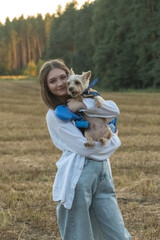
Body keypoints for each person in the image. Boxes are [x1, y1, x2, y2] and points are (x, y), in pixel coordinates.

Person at [39, 59, 132, 240]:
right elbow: (87, 150)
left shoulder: (87, 103)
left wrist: (83, 104)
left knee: (117, 234)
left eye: (63, 77)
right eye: (52, 81)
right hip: (78, 178)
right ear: (46, 87)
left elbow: (114, 110)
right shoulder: (54, 115)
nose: (60, 84)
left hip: (103, 174)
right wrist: (116, 141)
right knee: (80, 235)